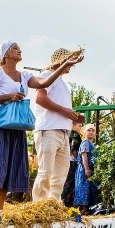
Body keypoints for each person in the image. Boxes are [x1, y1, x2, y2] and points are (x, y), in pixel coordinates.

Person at [0, 41, 84, 214]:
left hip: (17, 124)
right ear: (5, 54)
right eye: (15, 48)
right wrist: (8, 96)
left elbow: (43, 83)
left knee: (9, 164)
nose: (19, 50)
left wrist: (65, 65)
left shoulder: (24, 76)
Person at [31, 48, 85, 202]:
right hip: (48, 130)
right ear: (62, 60)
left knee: (60, 175)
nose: (71, 66)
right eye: (70, 62)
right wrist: (65, 112)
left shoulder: (61, 82)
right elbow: (40, 99)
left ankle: (52, 206)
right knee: (46, 172)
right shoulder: (47, 75)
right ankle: (38, 206)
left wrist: (73, 116)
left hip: (63, 132)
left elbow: (61, 109)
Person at [73, 123, 99, 213]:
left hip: (91, 168)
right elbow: (84, 155)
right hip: (85, 168)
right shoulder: (85, 142)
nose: (91, 132)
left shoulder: (92, 143)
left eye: (93, 130)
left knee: (90, 188)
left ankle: (89, 209)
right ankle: (84, 209)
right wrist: (87, 169)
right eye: (89, 130)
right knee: (83, 188)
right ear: (84, 132)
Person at [62, 122, 83, 207]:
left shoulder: (67, 133)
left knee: (66, 182)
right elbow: (74, 148)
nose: (80, 128)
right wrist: (78, 160)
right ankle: (66, 201)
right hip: (72, 161)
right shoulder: (75, 135)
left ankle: (64, 201)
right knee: (70, 183)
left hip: (66, 160)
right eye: (79, 126)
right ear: (73, 125)